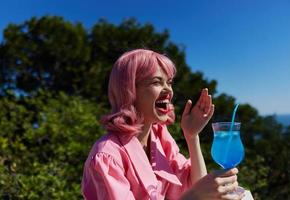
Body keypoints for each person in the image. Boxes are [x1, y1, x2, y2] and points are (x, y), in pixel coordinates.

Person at [81, 49, 244, 200]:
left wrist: (192, 136)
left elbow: (196, 184)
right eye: (157, 82)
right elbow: (196, 193)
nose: (168, 90)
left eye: (169, 82)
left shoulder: (160, 137)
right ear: (130, 90)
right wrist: (192, 196)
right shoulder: (107, 156)